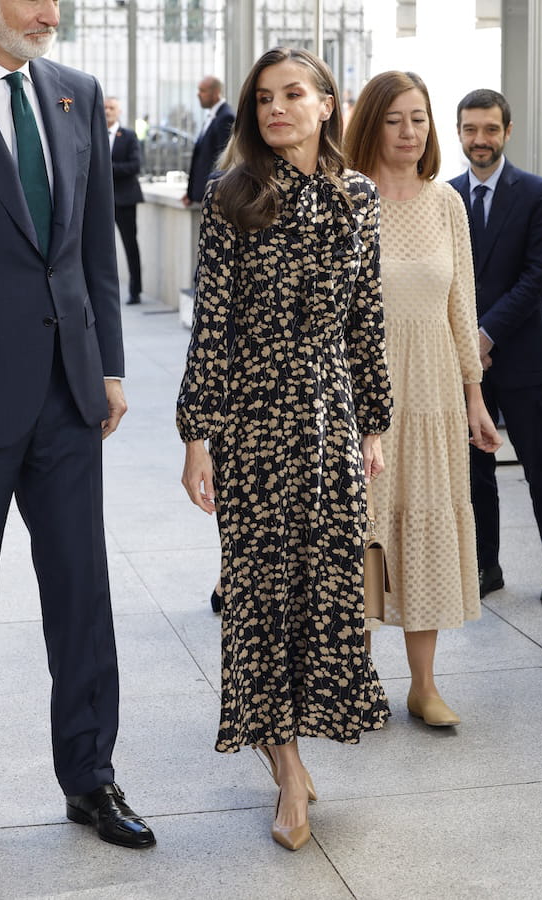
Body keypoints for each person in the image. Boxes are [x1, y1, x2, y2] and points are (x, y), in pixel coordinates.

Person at [177, 47, 392, 851]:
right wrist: (197, 436)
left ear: (327, 104)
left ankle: (291, 745)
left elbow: (366, 319)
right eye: (263, 98)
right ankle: (289, 772)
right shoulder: (230, 196)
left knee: (326, 591)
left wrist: (374, 425)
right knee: (260, 597)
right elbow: (212, 325)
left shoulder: (358, 197)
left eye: (292, 94)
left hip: (331, 418)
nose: (275, 108)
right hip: (253, 422)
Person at [0, 0, 155, 866]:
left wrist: (108, 367)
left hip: (69, 396)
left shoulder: (74, 91)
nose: (50, 11)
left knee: (83, 597)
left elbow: (89, 250)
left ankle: (91, 777)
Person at [344, 71, 501, 727]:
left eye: (419, 118)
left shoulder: (447, 204)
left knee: (428, 523)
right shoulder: (345, 198)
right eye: (394, 119)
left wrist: (475, 398)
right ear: (370, 124)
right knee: (364, 529)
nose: (410, 132)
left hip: (434, 387)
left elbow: (461, 305)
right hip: (363, 391)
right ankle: (356, 681)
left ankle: (424, 686)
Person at [450, 89, 542, 606]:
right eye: (471, 129)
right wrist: (465, 343)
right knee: (475, 472)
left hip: (522, 358)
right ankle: (485, 566)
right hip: (464, 363)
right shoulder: (445, 196)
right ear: (459, 132)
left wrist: (484, 334)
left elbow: (538, 278)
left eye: (491, 129)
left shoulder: (538, 193)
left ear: (507, 132)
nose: (481, 139)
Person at [105, 96, 144, 305]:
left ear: (119, 111)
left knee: (130, 246)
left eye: (111, 108)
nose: (107, 111)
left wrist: (107, 169)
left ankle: (135, 291)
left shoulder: (129, 136)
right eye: (104, 107)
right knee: (99, 247)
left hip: (125, 199)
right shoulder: (95, 133)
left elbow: (135, 165)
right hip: (102, 200)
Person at [181, 75, 235, 207]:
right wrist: (191, 192)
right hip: (204, 195)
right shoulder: (212, 116)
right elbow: (201, 157)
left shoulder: (225, 117)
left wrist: (214, 194)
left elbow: (224, 160)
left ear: (216, 92)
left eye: (203, 90)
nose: (198, 94)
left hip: (214, 197)